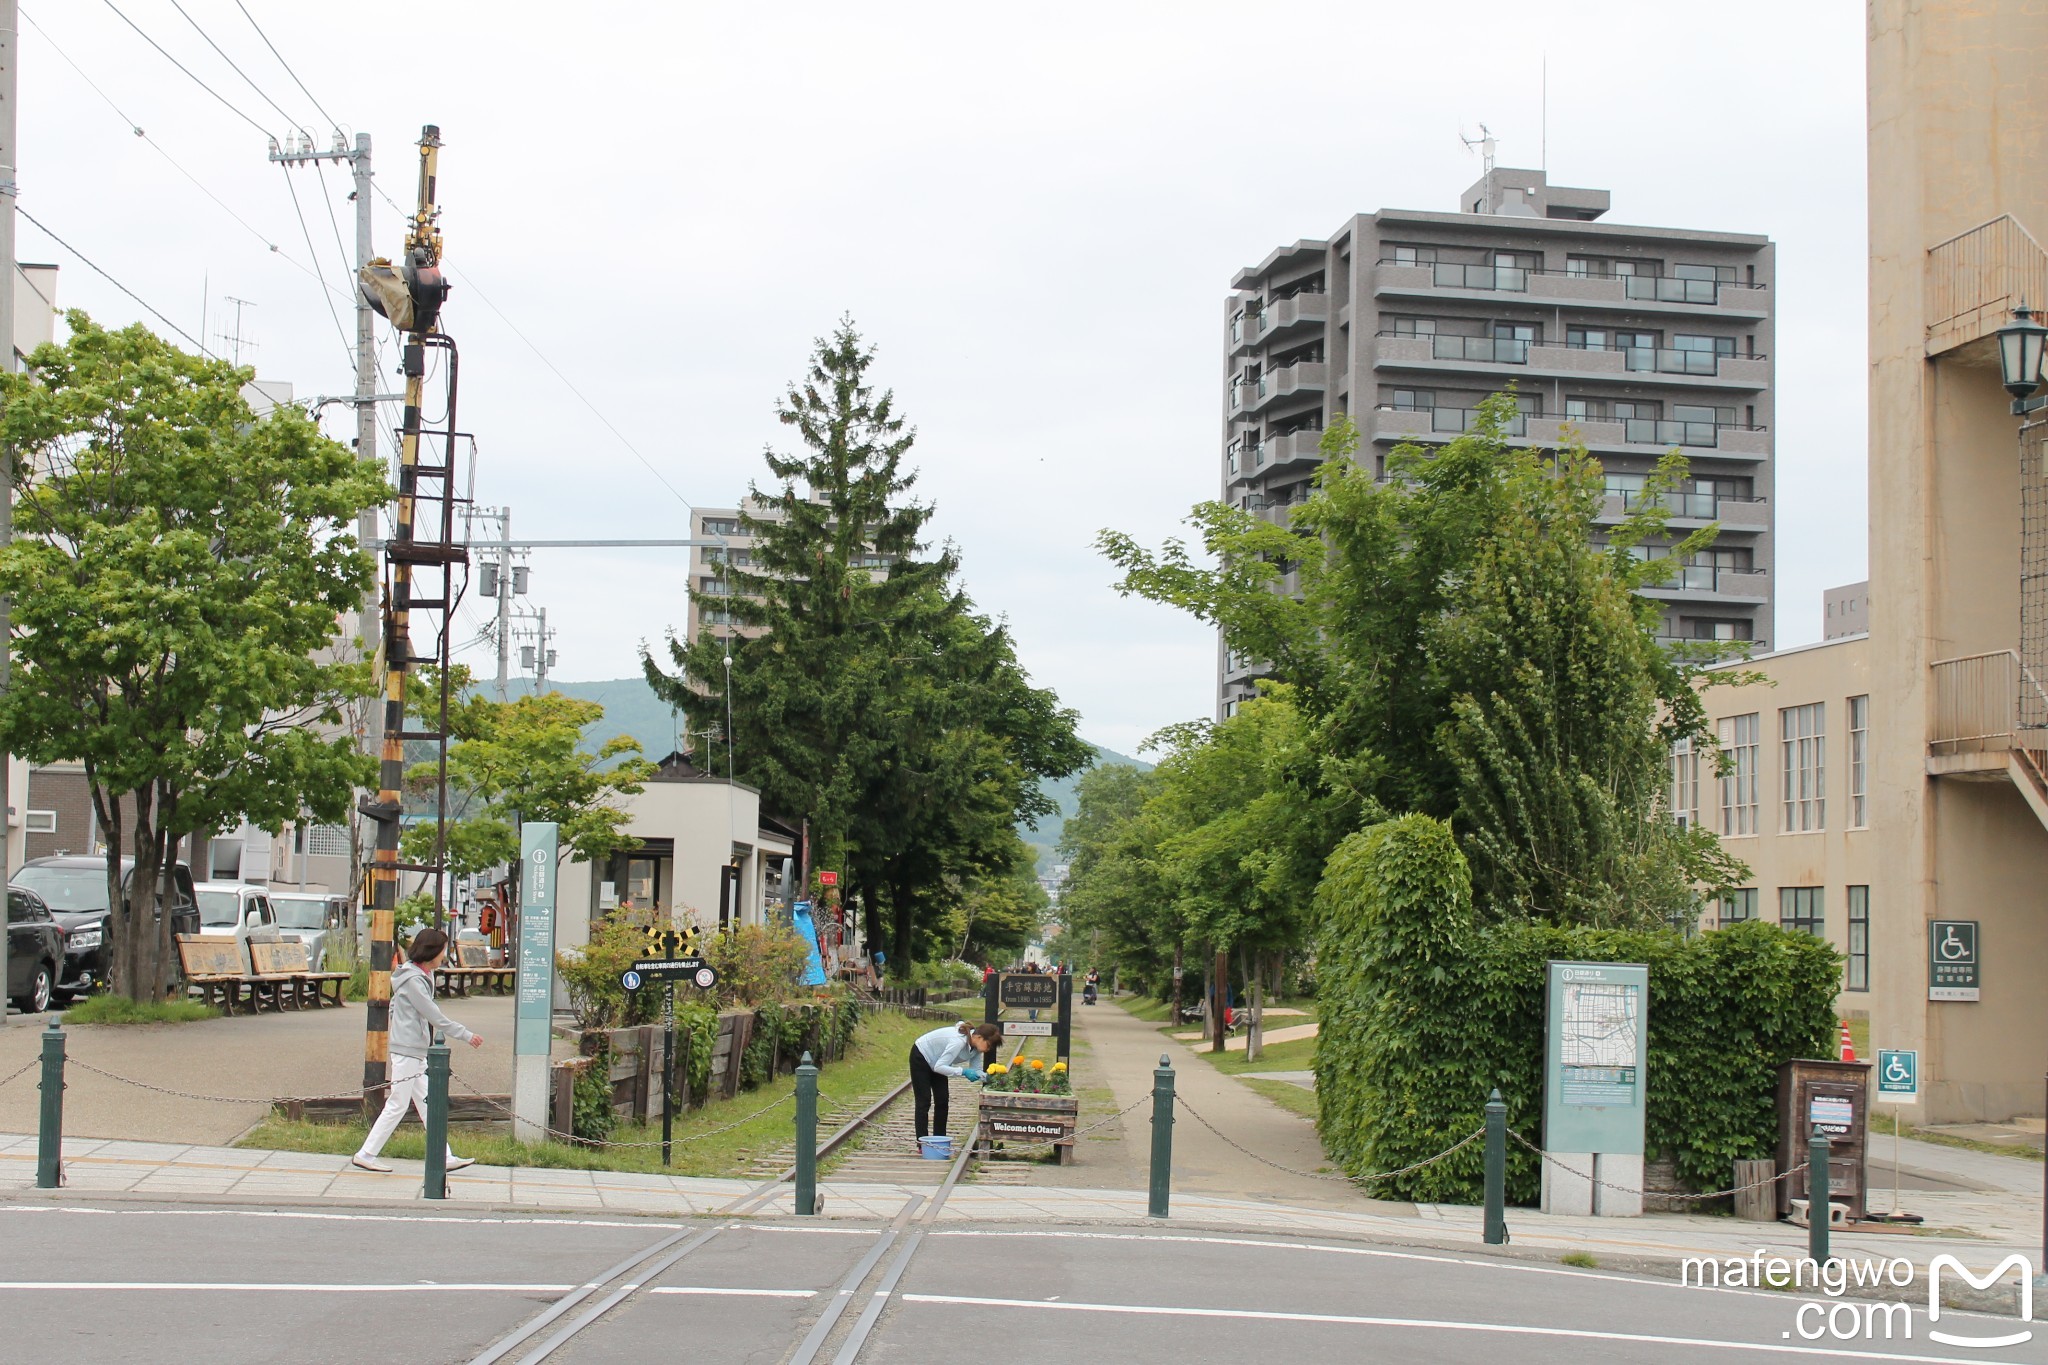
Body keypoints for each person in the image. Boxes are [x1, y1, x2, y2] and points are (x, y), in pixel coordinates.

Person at [353, 928, 485, 1174]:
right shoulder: (414, 980)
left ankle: (444, 1155)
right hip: (408, 1051)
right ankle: (366, 1153)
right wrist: (466, 1035)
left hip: (412, 1049)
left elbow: (395, 1007)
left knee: (428, 1103)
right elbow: (433, 1014)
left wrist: (403, 1031)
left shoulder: (417, 975)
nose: (444, 956)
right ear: (432, 952)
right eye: (443, 951)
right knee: (398, 1104)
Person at [909, 1020, 1000, 1148]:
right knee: (924, 1101)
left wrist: (987, 1077)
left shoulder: (976, 1048)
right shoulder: (958, 1041)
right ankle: (922, 1144)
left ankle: (939, 1141)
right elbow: (939, 1067)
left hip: (939, 1061)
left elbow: (976, 1070)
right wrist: (962, 1071)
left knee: (942, 1100)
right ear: (979, 1037)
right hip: (922, 1055)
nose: (988, 1049)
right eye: (989, 1045)